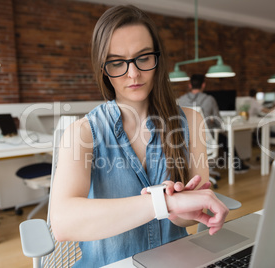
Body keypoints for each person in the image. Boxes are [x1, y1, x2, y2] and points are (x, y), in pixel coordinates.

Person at [50, 5, 229, 267]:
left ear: (158, 59)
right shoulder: (82, 132)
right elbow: (63, 223)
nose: (133, 74)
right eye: (117, 62)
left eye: (143, 58)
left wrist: (182, 210)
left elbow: (189, 218)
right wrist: (162, 202)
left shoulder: (191, 121)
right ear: (103, 68)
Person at [177, 74, 249, 173]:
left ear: (190, 85)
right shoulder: (209, 99)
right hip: (206, 139)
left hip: (186, 140)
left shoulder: (181, 100)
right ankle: (237, 166)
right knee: (226, 140)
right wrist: (210, 122)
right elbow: (219, 122)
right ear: (203, 85)